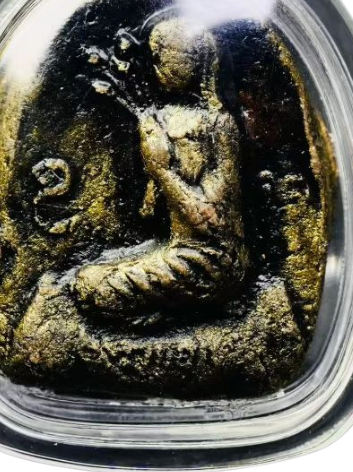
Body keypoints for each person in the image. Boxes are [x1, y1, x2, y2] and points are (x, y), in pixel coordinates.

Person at [74, 17, 248, 320]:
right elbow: (148, 214)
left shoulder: (218, 124)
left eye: (163, 55)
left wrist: (161, 170)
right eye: (154, 56)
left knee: (99, 291)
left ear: (194, 61)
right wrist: (150, 148)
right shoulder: (162, 119)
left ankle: (188, 308)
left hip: (213, 260)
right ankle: (176, 308)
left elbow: (213, 222)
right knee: (84, 281)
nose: (155, 65)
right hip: (176, 251)